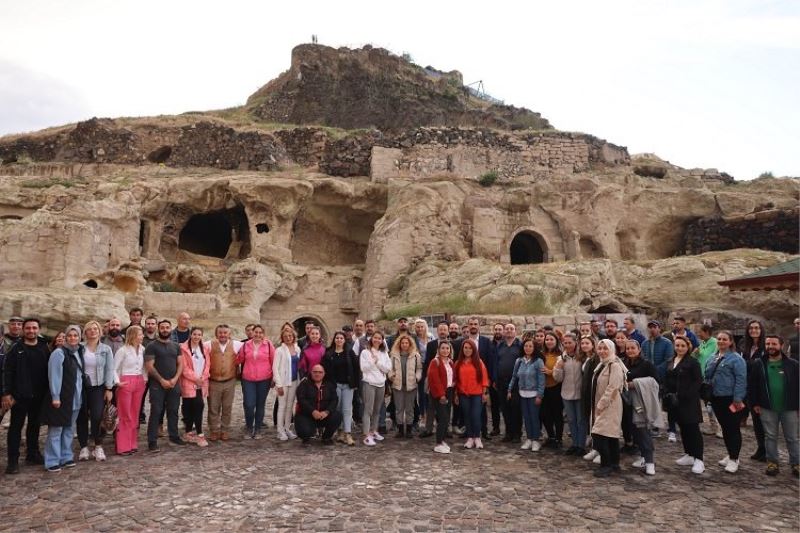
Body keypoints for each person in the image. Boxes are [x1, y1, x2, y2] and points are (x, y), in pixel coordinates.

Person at [2, 317, 49, 474]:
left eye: (34, 328)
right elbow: (7, 372)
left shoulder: (44, 347)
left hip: (39, 395)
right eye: (28, 328)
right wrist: (6, 393)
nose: (31, 331)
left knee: (34, 426)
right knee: (16, 428)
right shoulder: (16, 349)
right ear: (23, 330)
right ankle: (13, 461)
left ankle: (32, 453)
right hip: (19, 396)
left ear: (39, 329)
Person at [749, 335, 799, 478]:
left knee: (792, 438)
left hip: (789, 407)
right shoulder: (759, 364)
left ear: (781, 345)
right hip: (767, 407)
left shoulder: (793, 364)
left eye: (774, 344)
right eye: (768, 343)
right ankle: (772, 463)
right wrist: (755, 404)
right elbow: (753, 386)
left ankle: (796, 463)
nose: (770, 346)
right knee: (770, 436)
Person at [41, 325, 85, 472]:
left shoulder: (79, 352)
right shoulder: (59, 353)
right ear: (65, 337)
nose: (73, 338)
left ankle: (66, 456)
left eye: (75, 336)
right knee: (56, 429)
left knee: (69, 429)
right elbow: (54, 376)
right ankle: (52, 459)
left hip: (76, 398)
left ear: (79, 338)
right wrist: (55, 396)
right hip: (62, 397)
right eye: (70, 335)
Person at [705, 330, 747, 473]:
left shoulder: (736, 359)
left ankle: (734, 458)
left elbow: (741, 380)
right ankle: (730, 454)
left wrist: (737, 398)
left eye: (724, 339)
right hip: (716, 398)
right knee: (725, 428)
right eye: (719, 339)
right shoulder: (713, 357)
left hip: (729, 398)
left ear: (730, 342)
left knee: (733, 428)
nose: (721, 341)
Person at [76, 320, 115, 462]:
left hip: (98, 387)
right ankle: (83, 447)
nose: (92, 331)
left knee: (97, 417)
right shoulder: (79, 348)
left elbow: (110, 369)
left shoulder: (105, 349)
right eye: (89, 329)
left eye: (95, 329)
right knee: (81, 417)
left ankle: (98, 446)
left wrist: (109, 388)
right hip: (81, 386)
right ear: (85, 332)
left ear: (100, 332)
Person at [144, 319, 184, 452]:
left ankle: (174, 435)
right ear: (158, 329)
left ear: (170, 329)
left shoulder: (176, 346)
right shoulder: (152, 346)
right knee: (156, 411)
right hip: (157, 384)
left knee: (173, 411)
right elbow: (149, 366)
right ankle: (152, 441)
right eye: (162, 327)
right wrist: (162, 380)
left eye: (167, 327)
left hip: (174, 383)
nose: (165, 330)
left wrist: (175, 379)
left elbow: (181, 364)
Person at [667, 336, 705, 474]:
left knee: (693, 429)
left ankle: (699, 459)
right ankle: (689, 454)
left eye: (682, 346)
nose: (679, 348)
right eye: (677, 345)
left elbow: (698, 381)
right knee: (683, 428)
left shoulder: (693, 362)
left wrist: (687, 394)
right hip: (675, 401)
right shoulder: (672, 361)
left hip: (689, 401)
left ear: (687, 346)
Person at [590, 339, 626, 477]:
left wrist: (601, 405)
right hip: (602, 404)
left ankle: (606, 465)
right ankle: (614, 464)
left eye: (605, 348)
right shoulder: (602, 365)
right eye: (600, 348)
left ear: (611, 349)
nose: (602, 351)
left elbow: (613, 388)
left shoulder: (614, 366)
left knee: (600, 435)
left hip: (610, 405)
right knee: (610, 436)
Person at [204, 324, 242, 441]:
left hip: (230, 381)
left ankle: (225, 430)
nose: (223, 335)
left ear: (229, 334)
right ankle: (214, 430)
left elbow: (251, 346)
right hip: (213, 381)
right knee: (213, 407)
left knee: (227, 407)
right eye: (220, 332)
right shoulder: (208, 344)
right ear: (216, 334)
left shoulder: (237, 344)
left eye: (225, 333)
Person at [321, 331, 360, 445]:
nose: (339, 340)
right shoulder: (329, 353)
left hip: (348, 385)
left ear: (344, 340)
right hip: (335, 385)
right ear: (334, 340)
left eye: (341, 338)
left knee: (347, 409)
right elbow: (325, 369)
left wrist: (355, 383)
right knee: (337, 409)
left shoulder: (349, 352)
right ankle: (339, 432)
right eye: (337, 338)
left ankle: (347, 433)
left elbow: (356, 368)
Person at [113, 325, 147, 455]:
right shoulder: (123, 350)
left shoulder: (142, 349)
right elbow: (114, 368)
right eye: (140, 334)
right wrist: (118, 382)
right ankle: (123, 446)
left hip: (139, 382)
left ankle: (132, 443)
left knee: (135, 413)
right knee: (124, 414)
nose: (142, 336)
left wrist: (144, 379)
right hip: (126, 382)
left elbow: (143, 367)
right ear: (133, 335)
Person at [237, 325, 275, 439]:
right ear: (252, 333)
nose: (258, 334)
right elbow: (239, 360)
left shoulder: (268, 345)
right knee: (249, 404)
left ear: (263, 334)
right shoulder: (245, 345)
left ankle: (257, 429)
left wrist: (274, 378)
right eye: (256, 332)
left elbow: (274, 361)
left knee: (260, 404)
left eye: (260, 332)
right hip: (248, 379)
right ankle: (249, 427)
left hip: (264, 378)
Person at [621, 339, 657, 455]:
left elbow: (656, 381)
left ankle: (646, 455)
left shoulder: (646, 364)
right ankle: (633, 446)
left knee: (642, 428)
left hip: (641, 400)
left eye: (633, 348)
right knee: (629, 425)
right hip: (627, 400)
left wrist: (636, 384)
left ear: (639, 349)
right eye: (628, 348)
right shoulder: (624, 364)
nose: (630, 350)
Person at [509, 338, 545, 452]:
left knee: (534, 417)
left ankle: (535, 440)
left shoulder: (538, 361)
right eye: (526, 346)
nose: (528, 348)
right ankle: (529, 438)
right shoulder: (519, 360)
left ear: (534, 348)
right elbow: (514, 376)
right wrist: (509, 389)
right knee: (526, 417)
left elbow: (541, 380)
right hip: (522, 393)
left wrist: (540, 395)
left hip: (534, 394)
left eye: (530, 346)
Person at [642, 320, 675, 440]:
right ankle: (653, 427)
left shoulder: (667, 343)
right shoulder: (645, 343)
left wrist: (655, 370)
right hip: (648, 378)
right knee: (651, 403)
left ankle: (672, 429)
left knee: (667, 403)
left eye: (654, 327)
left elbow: (668, 360)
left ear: (659, 328)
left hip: (663, 378)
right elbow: (643, 358)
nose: (652, 329)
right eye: (650, 327)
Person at [554, 333, 586, 456]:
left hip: (580, 394)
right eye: (565, 343)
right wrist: (558, 368)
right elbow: (558, 379)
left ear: (575, 343)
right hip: (566, 393)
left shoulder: (582, 357)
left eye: (570, 343)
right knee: (571, 420)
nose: (567, 345)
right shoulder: (561, 358)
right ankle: (575, 444)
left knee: (581, 421)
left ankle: (581, 445)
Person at [454, 339, 489, 449]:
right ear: (462, 349)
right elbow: (455, 380)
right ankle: (470, 438)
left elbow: (484, 378)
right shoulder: (458, 363)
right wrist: (455, 395)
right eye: (465, 348)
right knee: (467, 416)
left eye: (470, 348)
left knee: (476, 415)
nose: (468, 350)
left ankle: (477, 437)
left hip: (477, 394)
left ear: (474, 349)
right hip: (463, 394)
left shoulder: (479, 362)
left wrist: (484, 393)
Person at [294, 364, 343, 445]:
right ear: (311, 373)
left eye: (320, 372)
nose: (317, 374)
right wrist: (312, 411)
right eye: (315, 372)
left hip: (323, 415)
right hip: (307, 415)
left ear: (324, 374)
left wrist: (327, 412)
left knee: (337, 416)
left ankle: (326, 437)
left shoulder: (329, 385)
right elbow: (301, 400)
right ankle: (306, 437)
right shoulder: (304, 384)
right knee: (304, 431)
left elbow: (334, 400)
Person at [740, 319, 767, 462]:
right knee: (756, 421)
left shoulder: (765, 347)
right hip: (749, 388)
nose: (753, 330)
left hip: (762, 388)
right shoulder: (746, 347)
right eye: (751, 328)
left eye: (756, 328)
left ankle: (768, 450)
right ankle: (761, 448)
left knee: (764, 421)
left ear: (761, 330)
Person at [179, 327, 210, 447]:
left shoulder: (205, 349)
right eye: (195, 334)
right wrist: (195, 379)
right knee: (188, 407)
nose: (197, 337)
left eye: (199, 334)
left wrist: (203, 377)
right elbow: (184, 367)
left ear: (202, 336)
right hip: (189, 382)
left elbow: (208, 365)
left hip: (201, 382)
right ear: (191, 335)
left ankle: (198, 433)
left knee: (199, 405)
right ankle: (190, 432)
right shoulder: (183, 348)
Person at [387, 333, 422, 438]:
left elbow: (419, 368)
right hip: (397, 385)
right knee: (399, 408)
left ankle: (409, 429)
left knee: (410, 408)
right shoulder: (393, 355)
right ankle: (401, 429)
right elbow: (390, 368)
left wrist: (417, 377)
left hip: (411, 385)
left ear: (410, 344)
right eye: (403, 343)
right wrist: (391, 376)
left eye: (407, 343)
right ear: (399, 344)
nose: (405, 344)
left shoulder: (416, 355)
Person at [360, 331, 391, 446]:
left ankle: (374, 431)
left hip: (381, 384)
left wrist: (377, 362)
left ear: (382, 340)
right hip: (369, 383)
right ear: (371, 339)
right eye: (375, 338)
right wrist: (373, 361)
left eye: (379, 338)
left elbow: (387, 368)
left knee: (377, 410)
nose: (377, 340)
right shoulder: (365, 352)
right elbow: (364, 368)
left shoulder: (384, 353)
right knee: (368, 410)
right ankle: (366, 435)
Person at [420, 321, 451, 439]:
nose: (442, 332)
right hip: (433, 381)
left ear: (447, 331)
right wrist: (426, 378)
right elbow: (427, 361)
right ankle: (428, 429)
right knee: (431, 406)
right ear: (437, 331)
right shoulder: (431, 344)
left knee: (446, 407)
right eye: (440, 329)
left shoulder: (452, 344)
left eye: (444, 329)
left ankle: (446, 429)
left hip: (447, 382)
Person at [273, 328, 302, 441]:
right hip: (283, 382)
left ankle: (287, 428)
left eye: (290, 336)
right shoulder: (279, 350)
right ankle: (280, 431)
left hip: (294, 381)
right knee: (282, 406)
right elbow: (275, 368)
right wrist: (278, 385)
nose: (288, 338)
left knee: (290, 407)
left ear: (293, 337)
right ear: (282, 338)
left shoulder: (297, 349)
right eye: (286, 336)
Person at [495, 323, 522, 443]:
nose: (509, 331)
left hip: (516, 383)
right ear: (504, 332)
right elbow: (496, 362)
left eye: (512, 329)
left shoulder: (520, 346)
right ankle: (508, 433)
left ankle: (517, 434)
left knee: (516, 409)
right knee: (505, 409)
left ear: (516, 331)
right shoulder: (500, 346)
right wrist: (495, 379)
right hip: (502, 382)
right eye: (507, 329)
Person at [427, 341, 455, 454]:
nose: (445, 350)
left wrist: (453, 383)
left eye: (447, 348)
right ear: (439, 350)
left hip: (449, 391)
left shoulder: (451, 362)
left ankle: (443, 440)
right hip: (439, 393)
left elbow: (453, 376)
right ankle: (438, 443)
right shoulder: (435, 362)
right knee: (442, 418)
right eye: (443, 348)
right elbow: (434, 379)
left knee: (447, 418)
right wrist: (441, 395)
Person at [694, 324, 721, 437]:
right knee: (708, 405)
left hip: (712, 379)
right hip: (702, 380)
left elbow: (714, 358)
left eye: (700, 332)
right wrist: (696, 354)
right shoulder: (702, 344)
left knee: (715, 404)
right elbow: (698, 358)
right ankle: (713, 427)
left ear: (706, 332)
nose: (698, 334)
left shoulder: (715, 343)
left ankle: (721, 428)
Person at [579, 336, 601, 462]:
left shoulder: (595, 359)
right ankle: (594, 447)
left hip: (594, 393)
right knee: (590, 420)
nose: (584, 345)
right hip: (586, 393)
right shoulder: (585, 358)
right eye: (582, 343)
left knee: (596, 421)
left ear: (593, 344)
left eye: (587, 343)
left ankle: (598, 449)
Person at [540, 332, 564, 448]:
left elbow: (562, 373)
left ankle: (559, 439)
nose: (549, 341)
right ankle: (551, 436)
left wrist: (550, 372)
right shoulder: (541, 354)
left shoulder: (560, 355)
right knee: (544, 414)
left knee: (557, 414)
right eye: (547, 339)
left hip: (556, 387)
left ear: (556, 341)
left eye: (551, 339)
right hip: (544, 387)